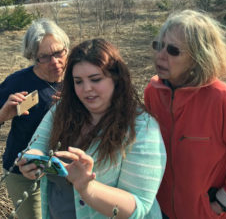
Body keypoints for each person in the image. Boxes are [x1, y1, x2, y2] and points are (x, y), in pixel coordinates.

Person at [18, 38, 166, 218]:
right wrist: (31, 162)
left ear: (116, 78)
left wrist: (87, 187)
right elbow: (36, 145)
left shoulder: (142, 127)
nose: (86, 88)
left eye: (95, 79)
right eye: (78, 81)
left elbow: (138, 207)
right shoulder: (62, 110)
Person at [144, 10, 226, 219]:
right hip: (163, 211)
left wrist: (223, 201)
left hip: (209, 214)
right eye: (159, 45)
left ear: (198, 57)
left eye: (173, 50)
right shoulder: (152, 92)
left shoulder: (225, 100)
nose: (161, 55)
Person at [0, 18, 70, 219]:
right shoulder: (18, 83)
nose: (55, 62)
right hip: (24, 173)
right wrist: (2, 115)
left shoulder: (77, 78)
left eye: (59, 53)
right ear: (33, 57)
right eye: (45, 57)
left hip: (63, 171)